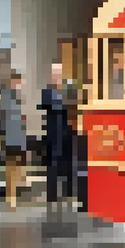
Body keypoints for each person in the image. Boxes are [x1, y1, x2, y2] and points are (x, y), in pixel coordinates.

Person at [39, 63, 73, 210]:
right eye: (55, 74)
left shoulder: (66, 91)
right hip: (53, 134)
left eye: (59, 73)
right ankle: (52, 194)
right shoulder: (47, 91)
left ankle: (68, 192)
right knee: (52, 164)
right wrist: (64, 103)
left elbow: (71, 105)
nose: (57, 76)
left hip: (66, 132)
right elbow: (53, 106)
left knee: (67, 163)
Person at [0, 70, 28, 208]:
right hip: (9, 137)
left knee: (18, 166)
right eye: (17, 81)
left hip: (19, 137)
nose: (18, 84)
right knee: (11, 168)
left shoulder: (18, 98)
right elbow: (0, 119)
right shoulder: (5, 97)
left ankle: (16, 193)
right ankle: (11, 196)